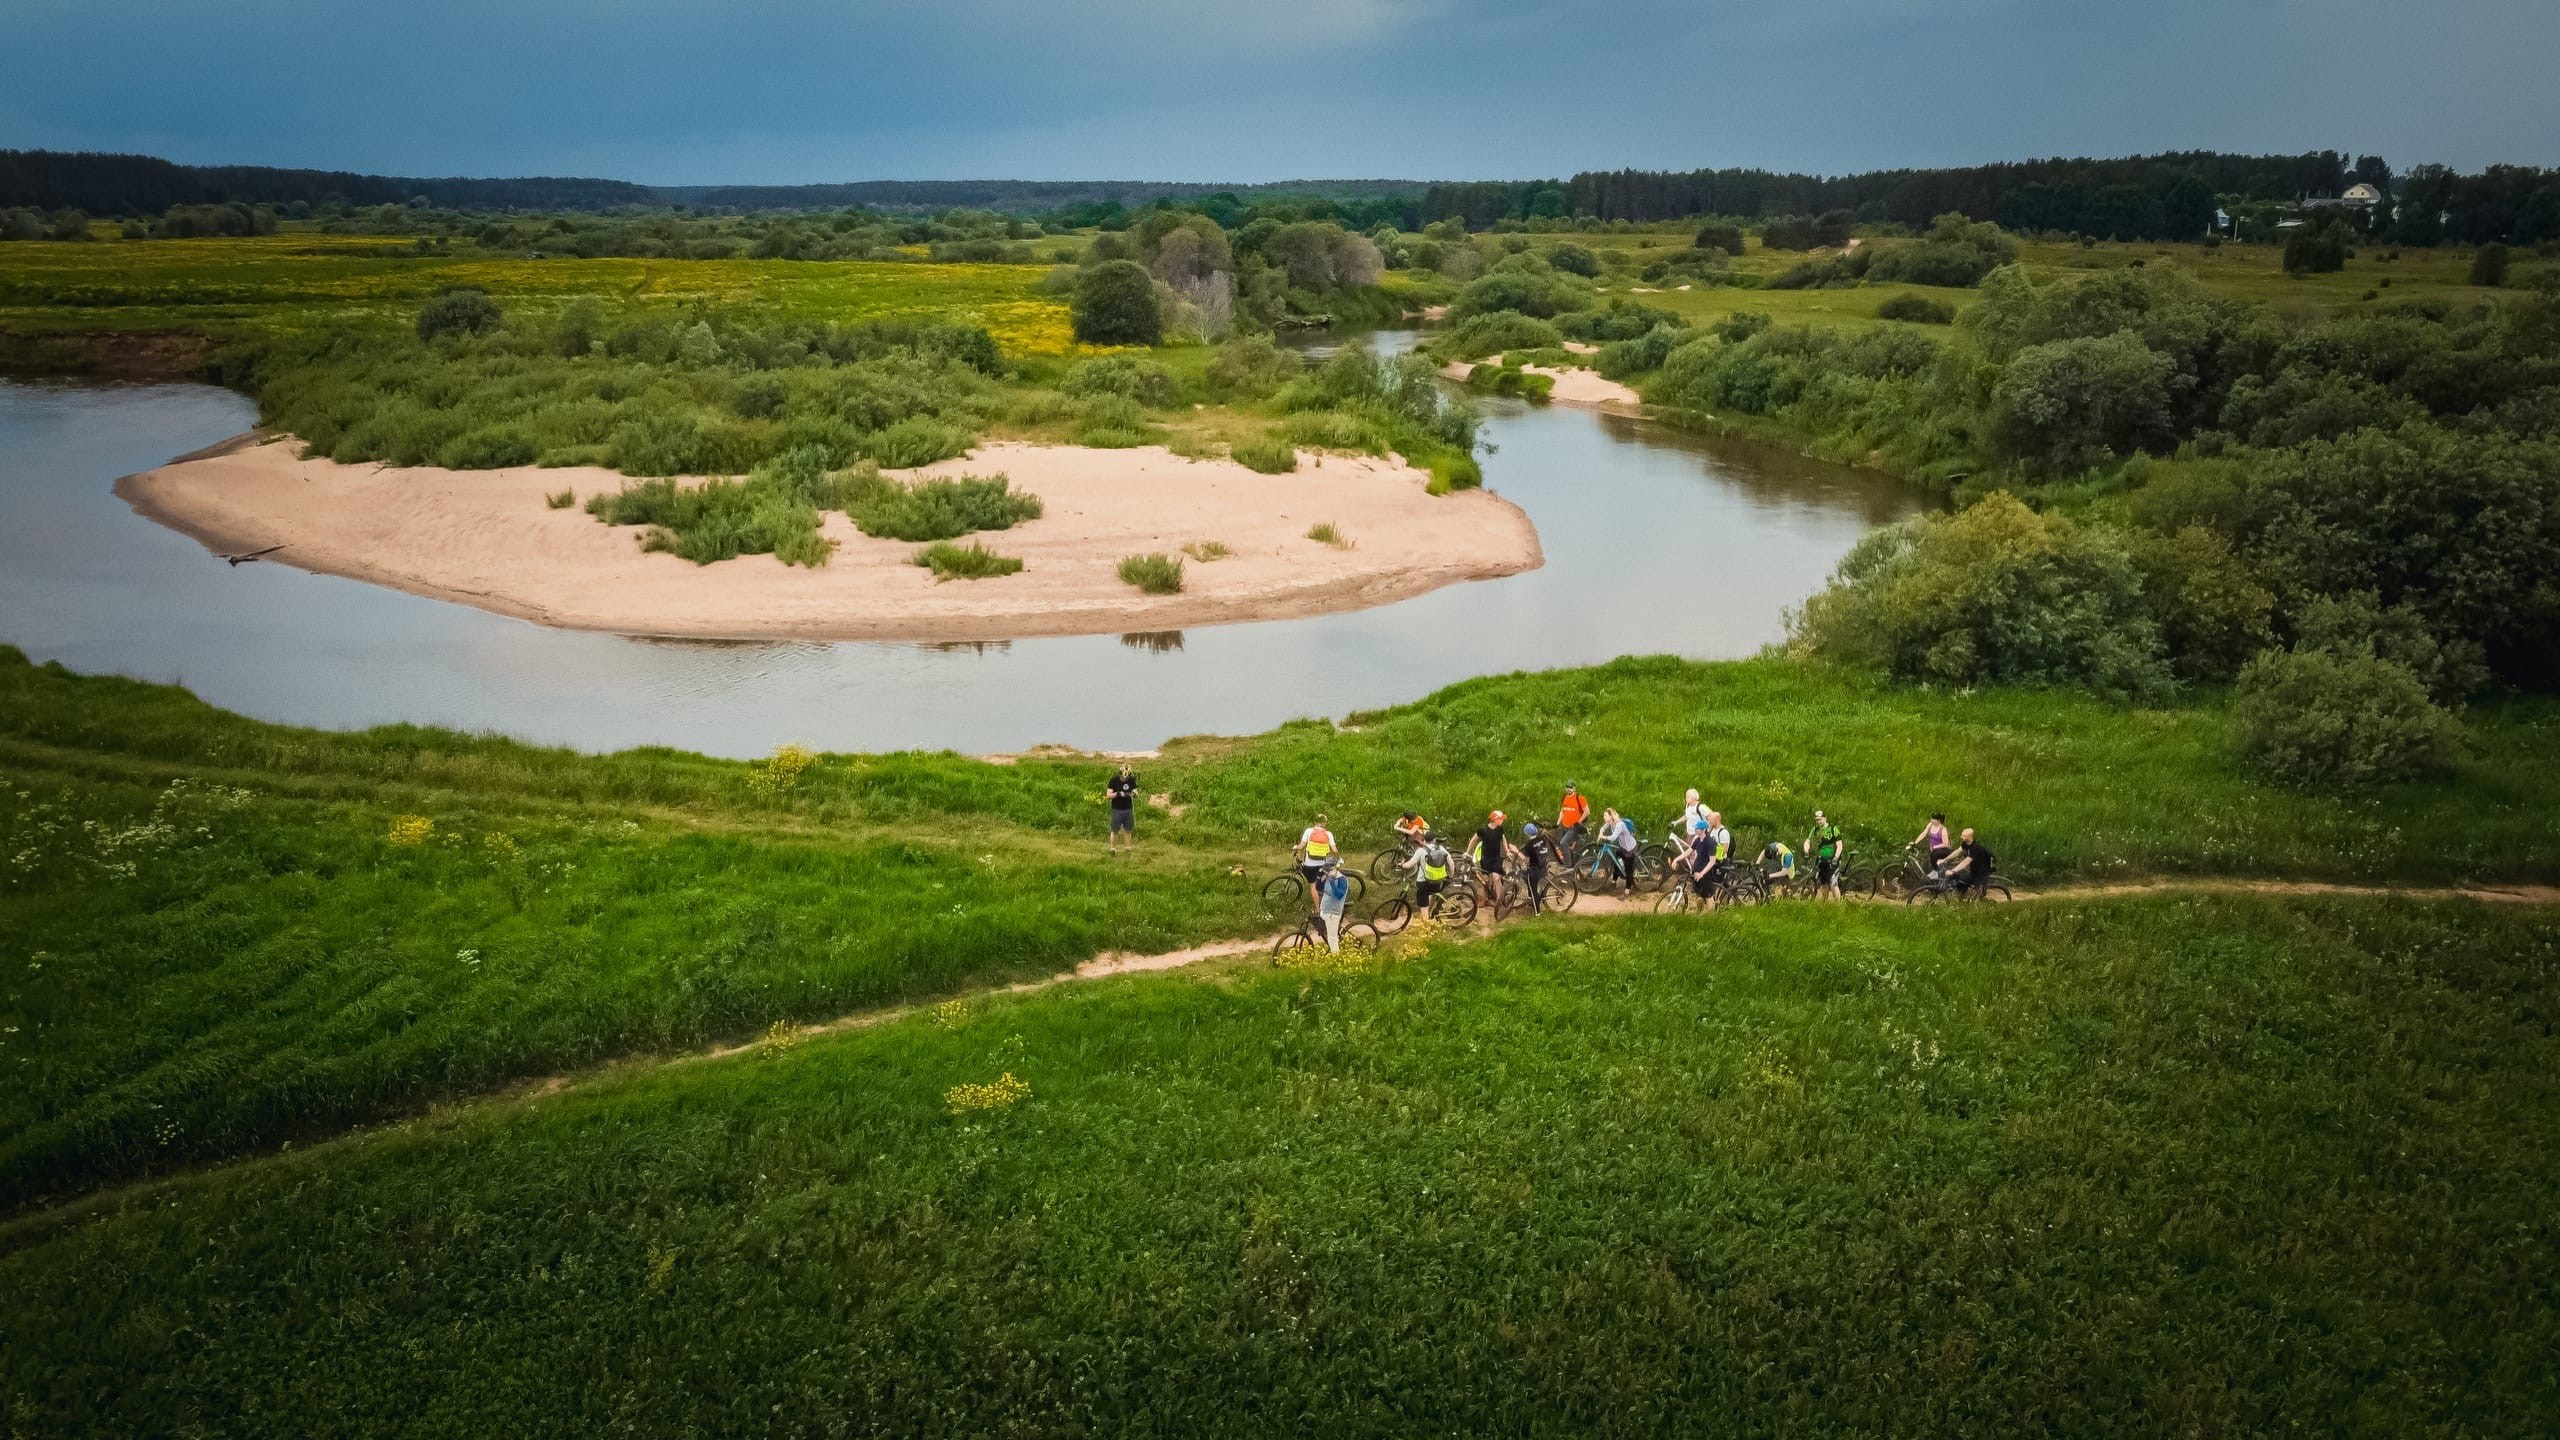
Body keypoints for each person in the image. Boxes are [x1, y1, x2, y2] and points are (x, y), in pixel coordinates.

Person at [1401, 830, 1452, 914]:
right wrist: (1450, 875)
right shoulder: (1441, 849)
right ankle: (1431, 911)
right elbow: (1451, 863)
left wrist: (1401, 865)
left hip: (1423, 882)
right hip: (1437, 880)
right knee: (1432, 893)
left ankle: (1426, 922)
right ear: (1434, 840)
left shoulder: (1420, 851)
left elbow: (1409, 865)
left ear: (1424, 839)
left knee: (1423, 904)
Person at [1471, 810, 1509, 912]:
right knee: (1485, 880)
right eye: (1501, 819)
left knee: (1496, 878)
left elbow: (1503, 839)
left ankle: (1499, 900)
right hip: (1486, 858)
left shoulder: (1500, 829)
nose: (1502, 821)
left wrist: (1507, 850)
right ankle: (1484, 899)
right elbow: (1474, 839)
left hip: (1496, 858)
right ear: (1495, 819)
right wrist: (1467, 852)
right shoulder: (1483, 830)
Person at [1941, 827, 1995, 896]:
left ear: (1969, 837)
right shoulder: (1966, 844)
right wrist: (1945, 859)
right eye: (1961, 835)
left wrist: (1953, 871)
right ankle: (1962, 898)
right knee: (1961, 883)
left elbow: (1966, 862)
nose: (1961, 837)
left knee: (1979, 894)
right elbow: (1957, 852)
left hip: (1982, 872)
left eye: (1963, 836)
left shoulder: (1976, 847)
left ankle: (1980, 902)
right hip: (1974, 871)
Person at [1599, 807, 1640, 895]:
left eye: (1605, 815)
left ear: (1611, 816)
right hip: (1623, 847)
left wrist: (1603, 837)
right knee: (1616, 859)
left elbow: (1613, 838)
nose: (1604, 817)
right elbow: (1603, 828)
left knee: (1629, 870)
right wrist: (1600, 833)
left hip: (1630, 848)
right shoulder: (1611, 822)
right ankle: (1614, 882)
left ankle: (1627, 890)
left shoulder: (1619, 824)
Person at [1805, 809, 1845, 899]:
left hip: (1833, 859)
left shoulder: (1833, 829)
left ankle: (1838, 906)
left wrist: (1835, 858)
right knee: (1824, 883)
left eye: (1820, 819)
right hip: (1821, 860)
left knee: (1833, 883)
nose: (1819, 821)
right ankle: (1824, 905)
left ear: (1825, 818)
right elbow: (1807, 841)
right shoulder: (1815, 829)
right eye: (1817, 820)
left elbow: (1840, 845)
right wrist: (1806, 851)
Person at [1294, 813, 1338, 896]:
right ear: (1323, 823)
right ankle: (1322, 890)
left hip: (1309, 864)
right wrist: (1337, 859)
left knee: (1313, 884)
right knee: (1321, 877)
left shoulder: (1308, 831)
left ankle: (1318, 903)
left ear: (1315, 822)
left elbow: (1301, 847)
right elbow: (1334, 850)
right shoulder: (1328, 834)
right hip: (1322, 864)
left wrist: (1295, 847)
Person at [1315, 863, 1351, 950]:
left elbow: (1339, 895)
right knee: (1327, 934)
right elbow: (1319, 888)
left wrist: (1332, 883)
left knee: (1332, 939)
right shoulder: (1327, 876)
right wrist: (1319, 877)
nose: (1327, 873)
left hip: (1333, 912)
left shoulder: (1342, 880)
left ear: (1335, 870)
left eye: (1329, 871)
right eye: (1326, 871)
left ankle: (1336, 957)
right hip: (1325, 910)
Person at [1105, 763, 1138, 854]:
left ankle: (1127, 849)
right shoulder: (1114, 780)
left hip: (1128, 809)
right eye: (1123, 777)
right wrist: (1118, 794)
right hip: (1117, 809)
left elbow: (1136, 792)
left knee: (1128, 830)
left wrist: (1132, 794)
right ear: (1120, 773)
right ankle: (1113, 849)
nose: (1125, 779)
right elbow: (1108, 795)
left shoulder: (1131, 780)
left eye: (1127, 777)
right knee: (1115, 830)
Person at [1520, 820, 1550, 916]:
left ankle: (1537, 913)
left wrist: (1516, 851)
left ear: (1526, 833)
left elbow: (1525, 859)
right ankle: (1530, 899)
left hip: (1535, 871)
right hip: (1543, 867)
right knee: (1526, 876)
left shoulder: (1529, 845)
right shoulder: (1542, 839)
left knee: (1534, 891)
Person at [1556, 783, 1590, 854]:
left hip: (1575, 827)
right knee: (1567, 845)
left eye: (1570, 787)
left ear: (1574, 788)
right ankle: (1572, 861)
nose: (1568, 789)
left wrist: (1578, 822)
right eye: (1567, 787)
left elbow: (1587, 812)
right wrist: (1558, 823)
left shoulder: (1580, 798)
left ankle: (1569, 864)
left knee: (1564, 843)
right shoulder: (1564, 797)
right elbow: (1563, 811)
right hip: (1565, 826)